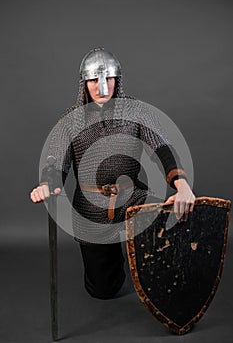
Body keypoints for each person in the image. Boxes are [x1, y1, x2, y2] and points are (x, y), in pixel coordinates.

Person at [30, 48, 195, 299]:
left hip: (133, 197)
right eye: (94, 80)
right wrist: (48, 183)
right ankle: (113, 267)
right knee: (104, 290)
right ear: (84, 83)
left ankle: (153, 268)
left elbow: (162, 148)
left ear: (117, 80)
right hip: (90, 206)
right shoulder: (71, 121)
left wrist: (181, 185)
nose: (101, 86)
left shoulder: (137, 111)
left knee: (166, 235)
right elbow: (56, 162)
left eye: (107, 78)